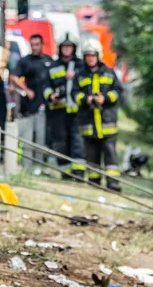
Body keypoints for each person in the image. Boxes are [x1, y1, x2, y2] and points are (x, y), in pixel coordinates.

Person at [73, 41, 123, 191]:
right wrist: (85, 99)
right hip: (88, 123)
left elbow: (118, 92)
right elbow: (74, 93)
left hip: (107, 123)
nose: (90, 58)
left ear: (98, 56)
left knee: (110, 155)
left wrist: (105, 98)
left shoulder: (109, 73)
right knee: (91, 155)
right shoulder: (80, 75)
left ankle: (113, 183)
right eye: (87, 55)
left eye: (92, 55)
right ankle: (94, 183)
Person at [8, 33, 53, 170]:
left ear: (42, 45)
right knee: (27, 139)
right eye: (32, 45)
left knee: (41, 138)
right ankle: (27, 167)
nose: (34, 47)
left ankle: (38, 167)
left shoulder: (48, 60)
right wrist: (26, 89)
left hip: (44, 106)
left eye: (37, 44)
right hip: (28, 107)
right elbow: (14, 77)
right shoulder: (25, 61)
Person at [44, 36, 87, 179]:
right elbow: (46, 87)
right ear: (60, 48)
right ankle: (65, 173)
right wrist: (51, 96)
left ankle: (79, 173)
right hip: (59, 111)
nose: (67, 49)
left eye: (69, 46)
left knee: (78, 141)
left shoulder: (81, 65)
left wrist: (75, 77)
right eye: (64, 47)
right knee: (60, 141)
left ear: (74, 48)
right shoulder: (53, 65)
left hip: (77, 111)